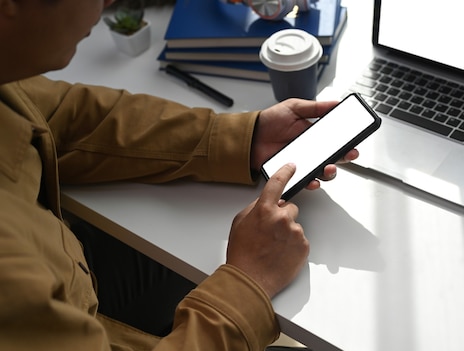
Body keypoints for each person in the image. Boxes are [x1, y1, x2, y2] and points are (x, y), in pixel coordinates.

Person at [0, 0, 358, 350]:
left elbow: (65, 115)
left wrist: (242, 139)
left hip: (74, 275)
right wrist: (249, 282)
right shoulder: (10, 268)